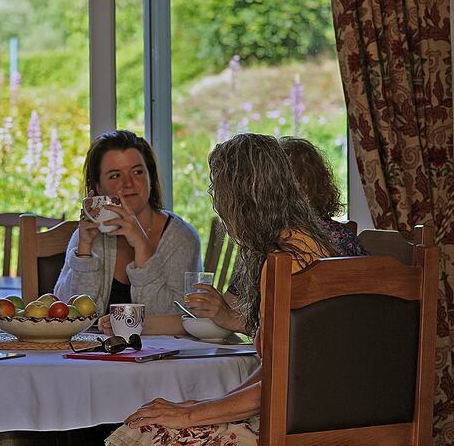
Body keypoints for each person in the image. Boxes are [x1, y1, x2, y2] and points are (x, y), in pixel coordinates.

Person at [105, 133, 339, 446]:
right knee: (151, 421)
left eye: (219, 189)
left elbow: (282, 383)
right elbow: (280, 367)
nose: (216, 201)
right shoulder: (308, 243)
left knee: (139, 432)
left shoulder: (286, 260)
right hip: (317, 414)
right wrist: (209, 407)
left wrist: (192, 415)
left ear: (240, 197)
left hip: (295, 428)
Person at [53, 130, 202, 317]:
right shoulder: (89, 236)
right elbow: (66, 316)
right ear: (98, 187)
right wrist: (84, 252)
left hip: (164, 347)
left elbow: (177, 318)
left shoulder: (181, 239)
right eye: (115, 176)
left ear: (150, 178)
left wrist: (141, 245)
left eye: (138, 172)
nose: (129, 183)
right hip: (94, 346)